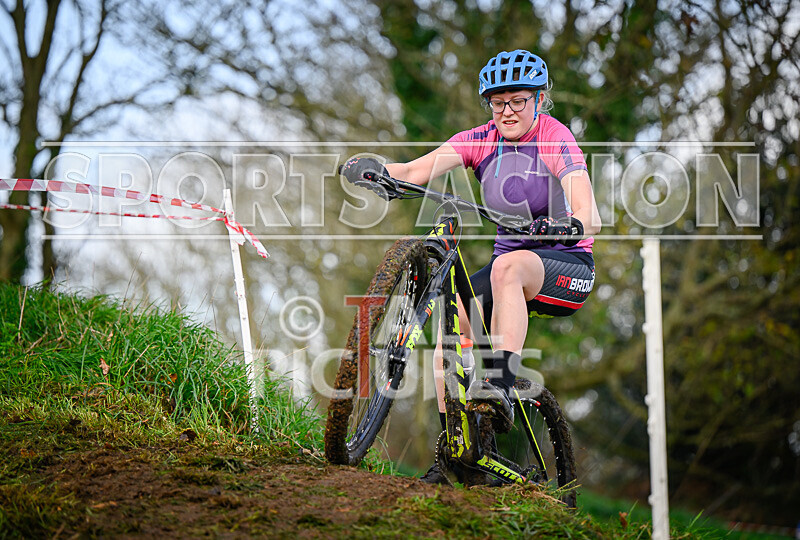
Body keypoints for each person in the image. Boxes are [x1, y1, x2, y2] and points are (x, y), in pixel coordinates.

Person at [340, 49, 601, 484]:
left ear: (539, 99)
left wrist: (571, 222)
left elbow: (587, 208)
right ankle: (459, 453)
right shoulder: (480, 139)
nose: (507, 111)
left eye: (518, 100)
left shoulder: (556, 139)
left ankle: (499, 381)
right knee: (451, 322)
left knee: (508, 269)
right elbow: (416, 168)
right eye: (498, 103)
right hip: (509, 268)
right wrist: (379, 172)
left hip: (566, 264)